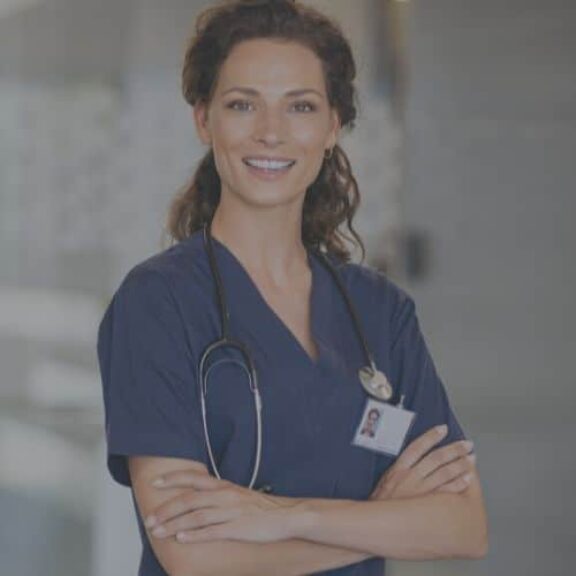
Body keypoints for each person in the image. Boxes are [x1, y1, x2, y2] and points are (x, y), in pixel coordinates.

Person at [96, 1, 488, 575]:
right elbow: (192, 557)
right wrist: (380, 520)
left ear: (332, 126)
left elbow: (463, 525)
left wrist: (287, 517)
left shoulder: (381, 313)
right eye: (242, 104)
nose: (271, 132)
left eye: (300, 106)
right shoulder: (158, 303)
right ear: (204, 119)